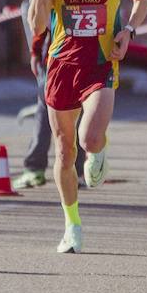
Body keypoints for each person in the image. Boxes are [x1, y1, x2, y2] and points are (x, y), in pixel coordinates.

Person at [28, 0, 147, 254]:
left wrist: (128, 31)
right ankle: (72, 224)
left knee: (89, 139)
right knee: (64, 151)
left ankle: (100, 149)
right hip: (62, 63)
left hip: (100, 61)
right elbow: (37, 26)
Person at [13, 27, 85, 190]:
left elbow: (41, 20)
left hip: (76, 62)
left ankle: (73, 171)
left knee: (60, 114)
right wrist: (36, 51)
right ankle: (38, 168)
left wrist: (36, 51)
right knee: (49, 110)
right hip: (63, 62)